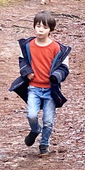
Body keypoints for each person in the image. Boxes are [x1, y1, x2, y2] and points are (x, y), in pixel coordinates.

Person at [8, 11, 71, 157]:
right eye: (38, 26)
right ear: (33, 27)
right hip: (33, 88)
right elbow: (22, 60)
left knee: (48, 121)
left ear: (51, 30)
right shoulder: (28, 46)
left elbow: (64, 67)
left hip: (50, 90)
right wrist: (27, 72)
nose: (40, 30)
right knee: (31, 115)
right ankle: (35, 130)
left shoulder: (58, 49)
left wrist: (56, 76)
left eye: (44, 27)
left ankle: (44, 144)